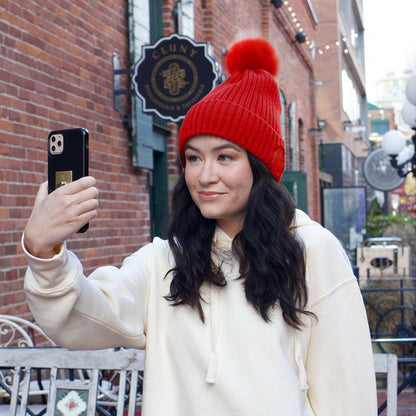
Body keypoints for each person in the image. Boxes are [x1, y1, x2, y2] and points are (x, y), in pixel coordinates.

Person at [23, 38, 377, 415]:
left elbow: (345, 390)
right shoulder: (164, 260)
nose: (205, 175)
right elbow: (81, 319)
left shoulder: (311, 250)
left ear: (260, 167)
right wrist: (44, 252)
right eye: (194, 158)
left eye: (225, 157)